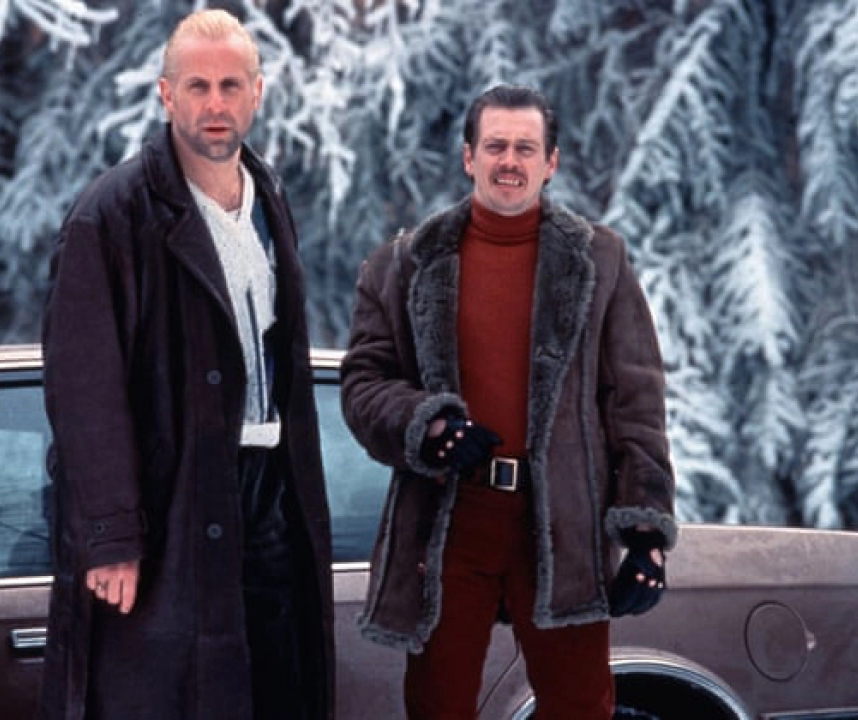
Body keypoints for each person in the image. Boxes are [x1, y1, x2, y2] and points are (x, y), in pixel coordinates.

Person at [339, 84, 677, 720]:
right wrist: (426, 424)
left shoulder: (599, 261)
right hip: (449, 521)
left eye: (526, 148)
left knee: (580, 707)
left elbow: (636, 403)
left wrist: (645, 533)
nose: (510, 161)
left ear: (551, 163)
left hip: (563, 524)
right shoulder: (405, 264)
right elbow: (363, 383)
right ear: (469, 156)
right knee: (438, 706)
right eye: (495, 146)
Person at [39, 9, 334, 719]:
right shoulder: (111, 215)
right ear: (166, 95)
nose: (215, 104)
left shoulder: (268, 200)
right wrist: (111, 536)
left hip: (270, 497)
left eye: (231, 85)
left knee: (277, 693)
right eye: (197, 86)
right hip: (172, 506)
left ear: (258, 93)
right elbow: (83, 389)